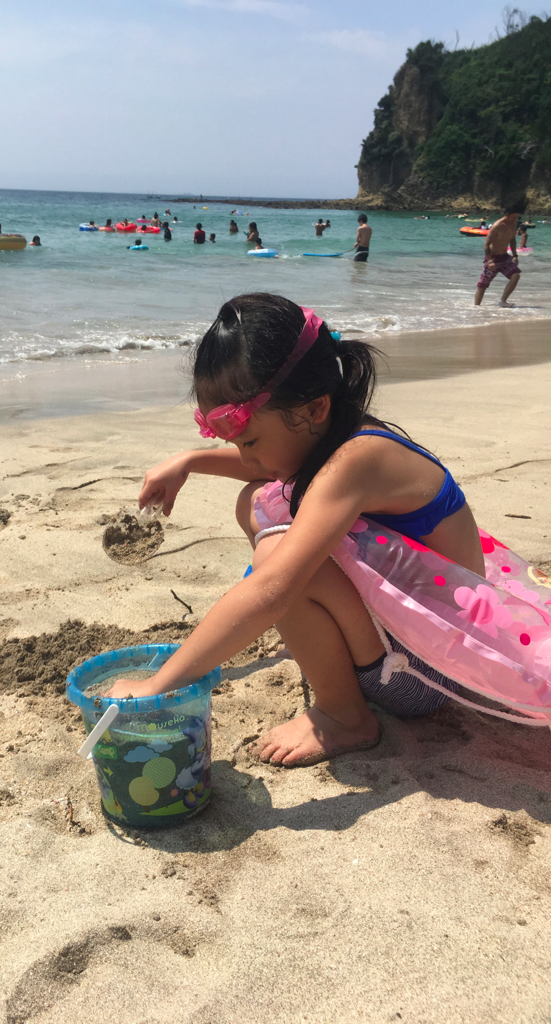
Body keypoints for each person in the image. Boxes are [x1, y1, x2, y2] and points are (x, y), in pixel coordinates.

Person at [104, 293, 484, 767]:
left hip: (426, 675)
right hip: (413, 637)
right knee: (258, 499)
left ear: (314, 408)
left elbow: (269, 590)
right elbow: (269, 466)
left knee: (277, 564)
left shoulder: (358, 461)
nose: (246, 458)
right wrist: (189, 461)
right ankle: (320, 638)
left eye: (250, 440)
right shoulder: (339, 431)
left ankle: (345, 715)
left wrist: (158, 684)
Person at [474, 205, 523, 307]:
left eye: (516, 217)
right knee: (483, 285)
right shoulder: (497, 226)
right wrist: (490, 261)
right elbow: (486, 244)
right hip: (493, 258)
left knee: (516, 275)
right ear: (507, 215)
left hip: (505, 257)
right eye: (513, 217)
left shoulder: (514, 224)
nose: (514, 220)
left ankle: (503, 301)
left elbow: (512, 240)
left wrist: (515, 255)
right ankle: (476, 307)